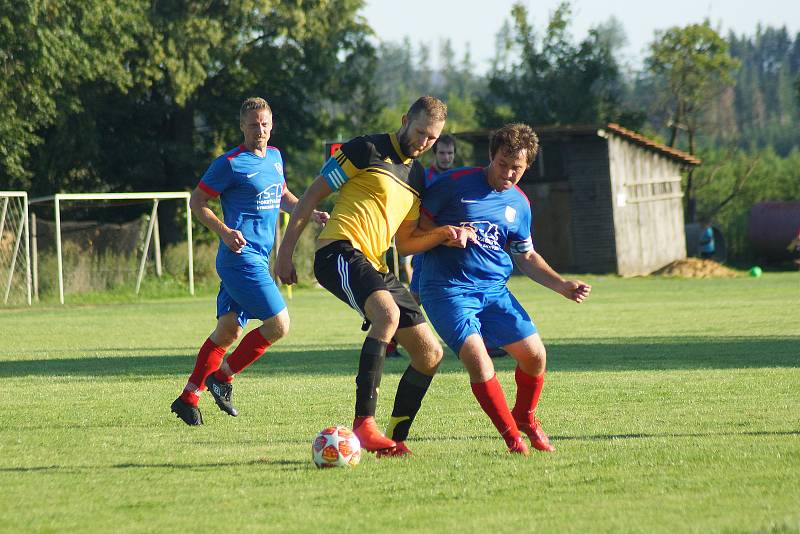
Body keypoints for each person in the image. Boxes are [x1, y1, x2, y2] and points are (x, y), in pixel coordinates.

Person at [276, 96, 474, 456]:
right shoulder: (364, 149)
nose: (424, 143)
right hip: (339, 250)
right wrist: (285, 252)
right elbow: (311, 195)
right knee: (388, 314)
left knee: (429, 354)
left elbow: (407, 242)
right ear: (404, 120)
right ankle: (363, 424)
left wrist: (446, 233)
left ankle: (394, 441)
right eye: (420, 133)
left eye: (433, 138)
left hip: (377, 266)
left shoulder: (417, 177)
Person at [414, 123, 591, 455]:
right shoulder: (452, 185)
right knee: (480, 362)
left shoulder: (520, 204)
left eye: (517, 168)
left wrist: (562, 286)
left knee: (535, 356)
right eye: (502, 164)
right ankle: (513, 439)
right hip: (448, 290)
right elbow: (417, 228)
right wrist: (445, 234)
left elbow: (525, 255)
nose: (509, 173)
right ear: (490, 156)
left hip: (494, 292)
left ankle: (524, 417)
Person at [171, 97, 328, 425]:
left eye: (265, 124)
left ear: (272, 125)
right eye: (254, 124)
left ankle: (188, 398)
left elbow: (282, 196)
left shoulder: (274, 156)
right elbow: (197, 201)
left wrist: (309, 212)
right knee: (279, 324)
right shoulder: (230, 163)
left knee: (227, 332)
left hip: (256, 258)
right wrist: (225, 230)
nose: (260, 130)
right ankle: (223, 377)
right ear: (242, 126)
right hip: (239, 259)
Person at [408, 134, 457, 303]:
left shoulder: (460, 178)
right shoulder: (423, 177)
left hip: (452, 245)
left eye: (450, 153)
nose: (446, 157)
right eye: (442, 153)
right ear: (434, 154)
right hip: (426, 244)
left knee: (453, 296)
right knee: (416, 296)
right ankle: (399, 327)